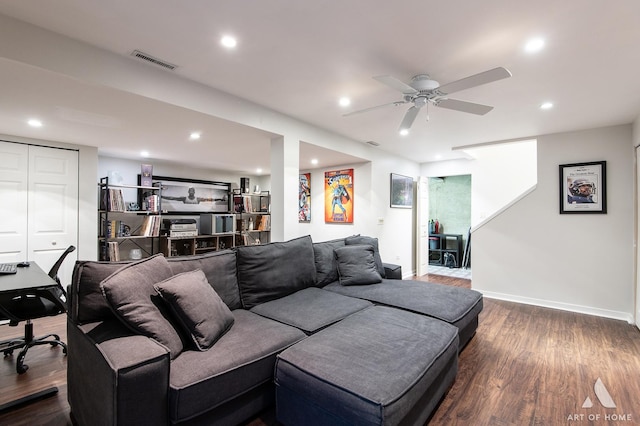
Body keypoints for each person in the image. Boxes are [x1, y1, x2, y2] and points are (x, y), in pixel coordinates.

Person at [162, 187, 227, 204]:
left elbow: (210, 199)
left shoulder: (198, 199)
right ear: (188, 192)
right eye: (190, 190)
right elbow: (172, 198)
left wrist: (220, 199)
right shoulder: (184, 198)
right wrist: (161, 196)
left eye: (192, 191)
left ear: (194, 192)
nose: (191, 192)